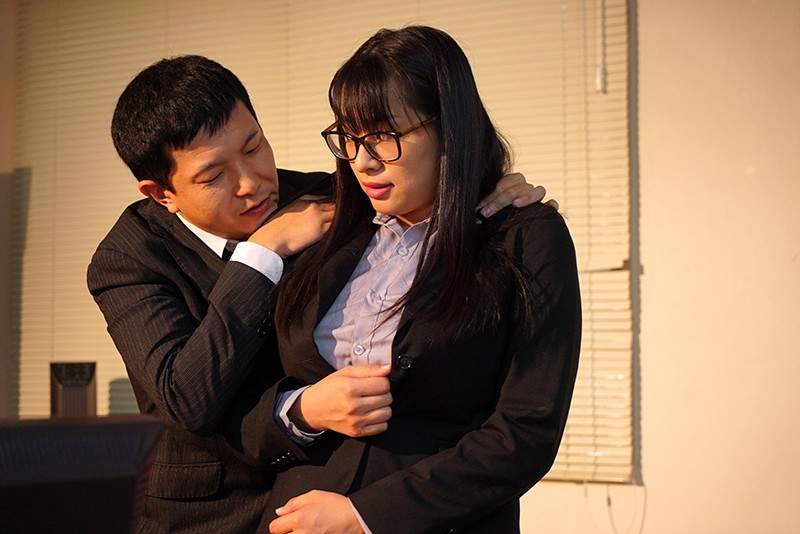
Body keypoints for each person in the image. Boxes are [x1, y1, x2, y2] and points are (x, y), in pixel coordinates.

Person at [87, 55, 546, 533]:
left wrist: (490, 193)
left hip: (322, 495)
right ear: (161, 193)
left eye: (253, 146)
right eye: (213, 176)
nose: (251, 182)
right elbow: (187, 398)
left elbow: (421, 192)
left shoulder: (321, 196)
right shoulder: (128, 259)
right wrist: (262, 253)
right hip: (206, 514)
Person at [265, 26, 582, 534]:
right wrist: (300, 411)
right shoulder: (326, 224)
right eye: (349, 137)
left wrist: (364, 517)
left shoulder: (523, 238)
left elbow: (526, 431)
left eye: (384, 136)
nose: (363, 161)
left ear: (449, 128)